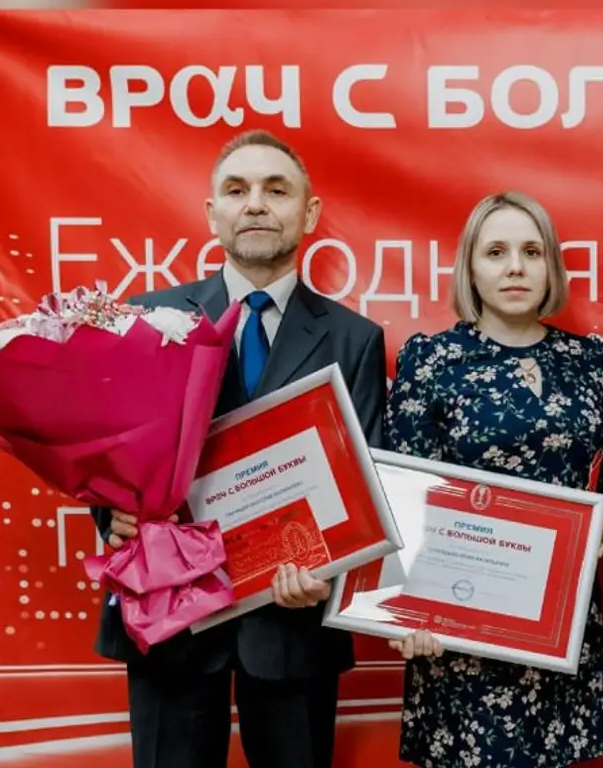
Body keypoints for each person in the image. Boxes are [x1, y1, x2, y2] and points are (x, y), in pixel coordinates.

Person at [88, 130, 387, 768]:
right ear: (212, 213)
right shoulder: (147, 319)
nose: (255, 204)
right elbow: (107, 449)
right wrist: (113, 514)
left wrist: (329, 567)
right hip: (169, 614)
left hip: (291, 618)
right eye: (237, 190)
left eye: (276, 190)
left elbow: (365, 483)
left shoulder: (355, 339)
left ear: (308, 212)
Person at [383, 191, 603, 768]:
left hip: (561, 628)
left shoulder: (591, 361)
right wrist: (404, 611)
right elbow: (401, 498)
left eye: (531, 252)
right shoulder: (431, 361)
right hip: (462, 632)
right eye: (496, 252)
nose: (515, 266)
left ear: (551, 267)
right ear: (470, 269)